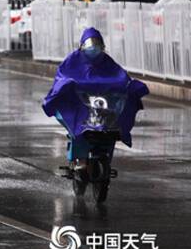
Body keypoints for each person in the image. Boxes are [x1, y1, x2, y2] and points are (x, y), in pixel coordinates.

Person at [43, 27, 148, 168]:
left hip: (104, 107)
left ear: (102, 46)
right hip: (80, 106)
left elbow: (120, 76)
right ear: (82, 46)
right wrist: (68, 85)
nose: (93, 48)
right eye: (90, 44)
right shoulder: (73, 61)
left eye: (97, 44)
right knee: (77, 124)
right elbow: (63, 77)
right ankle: (80, 159)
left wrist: (128, 86)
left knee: (113, 126)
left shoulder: (107, 62)